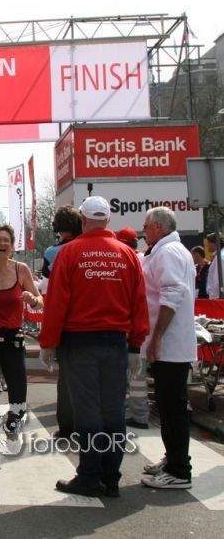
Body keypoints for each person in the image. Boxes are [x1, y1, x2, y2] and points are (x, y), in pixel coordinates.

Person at [39, 196, 148, 498]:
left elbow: (56, 302)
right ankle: (111, 477)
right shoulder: (127, 254)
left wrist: (48, 343)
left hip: (80, 342)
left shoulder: (70, 253)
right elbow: (139, 303)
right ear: (108, 220)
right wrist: (135, 345)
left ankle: (89, 476)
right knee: (113, 410)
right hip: (116, 342)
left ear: (83, 220)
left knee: (87, 411)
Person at [0, 224, 42, 470]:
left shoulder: (21, 269)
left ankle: (12, 423)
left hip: (14, 340)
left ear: (12, 246)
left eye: (6, 240)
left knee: (19, 399)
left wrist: (33, 299)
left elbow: (39, 301)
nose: (2, 244)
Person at [139, 207, 195, 489]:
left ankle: (179, 470)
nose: (143, 230)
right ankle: (173, 458)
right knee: (167, 404)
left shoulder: (168, 252)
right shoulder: (166, 251)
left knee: (172, 406)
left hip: (170, 346)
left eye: (146, 225)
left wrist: (157, 336)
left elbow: (172, 293)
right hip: (169, 345)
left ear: (158, 227)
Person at [42, 204, 82, 440]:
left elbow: (47, 285)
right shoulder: (87, 247)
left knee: (66, 377)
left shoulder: (52, 253)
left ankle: (67, 427)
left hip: (66, 323)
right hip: (92, 319)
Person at [116, 228, 148, 429]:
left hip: (135, 326)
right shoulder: (143, 258)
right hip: (147, 324)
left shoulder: (129, 261)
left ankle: (139, 415)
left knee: (136, 374)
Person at [205, 233, 223, 300]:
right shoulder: (219, 256)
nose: (207, 245)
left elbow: (217, 280)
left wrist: (214, 297)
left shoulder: (220, 257)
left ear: (215, 243)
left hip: (218, 298)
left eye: (208, 242)